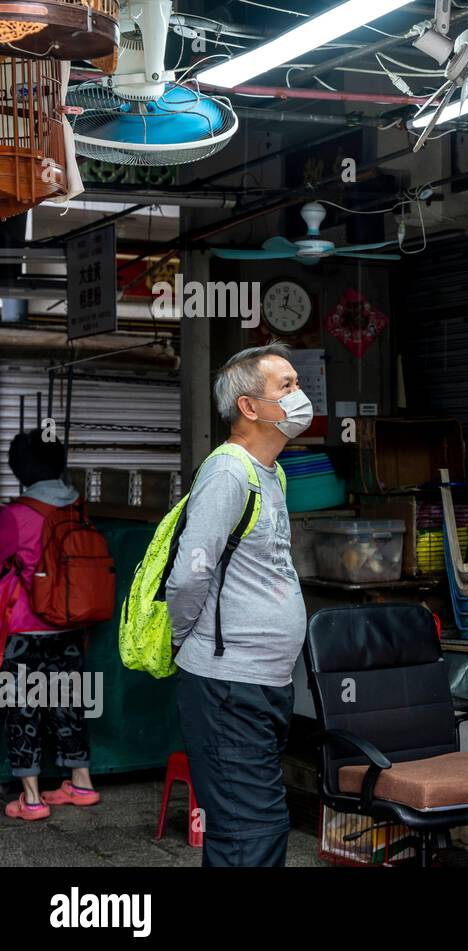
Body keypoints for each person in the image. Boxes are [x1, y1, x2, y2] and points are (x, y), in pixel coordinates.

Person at [168, 344, 311, 866]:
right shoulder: (228, 472)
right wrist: (191, 642)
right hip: (228, 684)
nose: (300, 397)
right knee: (253, 831)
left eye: (297, 383)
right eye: (287, 387)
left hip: (262, 682)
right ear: (249, 407)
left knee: (243, 826)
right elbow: (190, 576)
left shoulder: (270, 472)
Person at [0, 431, 99, 821]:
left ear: (21, 470)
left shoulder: (15, 515)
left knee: (22, 707)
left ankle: (33, 799)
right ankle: (81, 783)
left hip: (25, 630)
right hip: (72, 625)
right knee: (68, 701)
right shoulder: (79, 507)